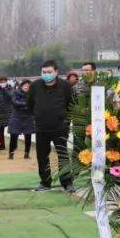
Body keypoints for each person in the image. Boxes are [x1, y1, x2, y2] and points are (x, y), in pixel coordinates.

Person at [27, 60, 75, 192]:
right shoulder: (35, 86)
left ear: (56, 72)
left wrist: (66, 121)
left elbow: (71, 104)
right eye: (44, 72)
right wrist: (38, 116)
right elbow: (30, 104)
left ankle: (67, 182)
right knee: (42, 156)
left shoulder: (65, 86)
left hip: (60, 127)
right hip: (41, 127)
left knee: (63, 155)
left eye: (49, 72)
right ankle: (45, 182)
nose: (46, 74)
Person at [7, 79, 34, 160]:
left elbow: (34, 104)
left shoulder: (32, 94)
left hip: (28, 117)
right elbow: (15, 102)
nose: (26, 87)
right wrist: (26, 104)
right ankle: (11, 154)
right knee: (14, 135)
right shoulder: (15, 93)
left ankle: (27, 154)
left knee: (28, 135)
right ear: (21, 86)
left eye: (28, 86)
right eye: (25, 85)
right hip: (16, 117)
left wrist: (23, 105)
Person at [0, 77, 13, 152]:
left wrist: (5, 89)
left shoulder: (10, 89)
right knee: (0, 130)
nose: (3, 83)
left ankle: (13, 145)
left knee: (12, 130)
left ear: (7, 82)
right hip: (0, 113)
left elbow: (11, 96)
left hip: (10, 113)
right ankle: (2, 145)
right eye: (1, 82)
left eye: (4, 81)